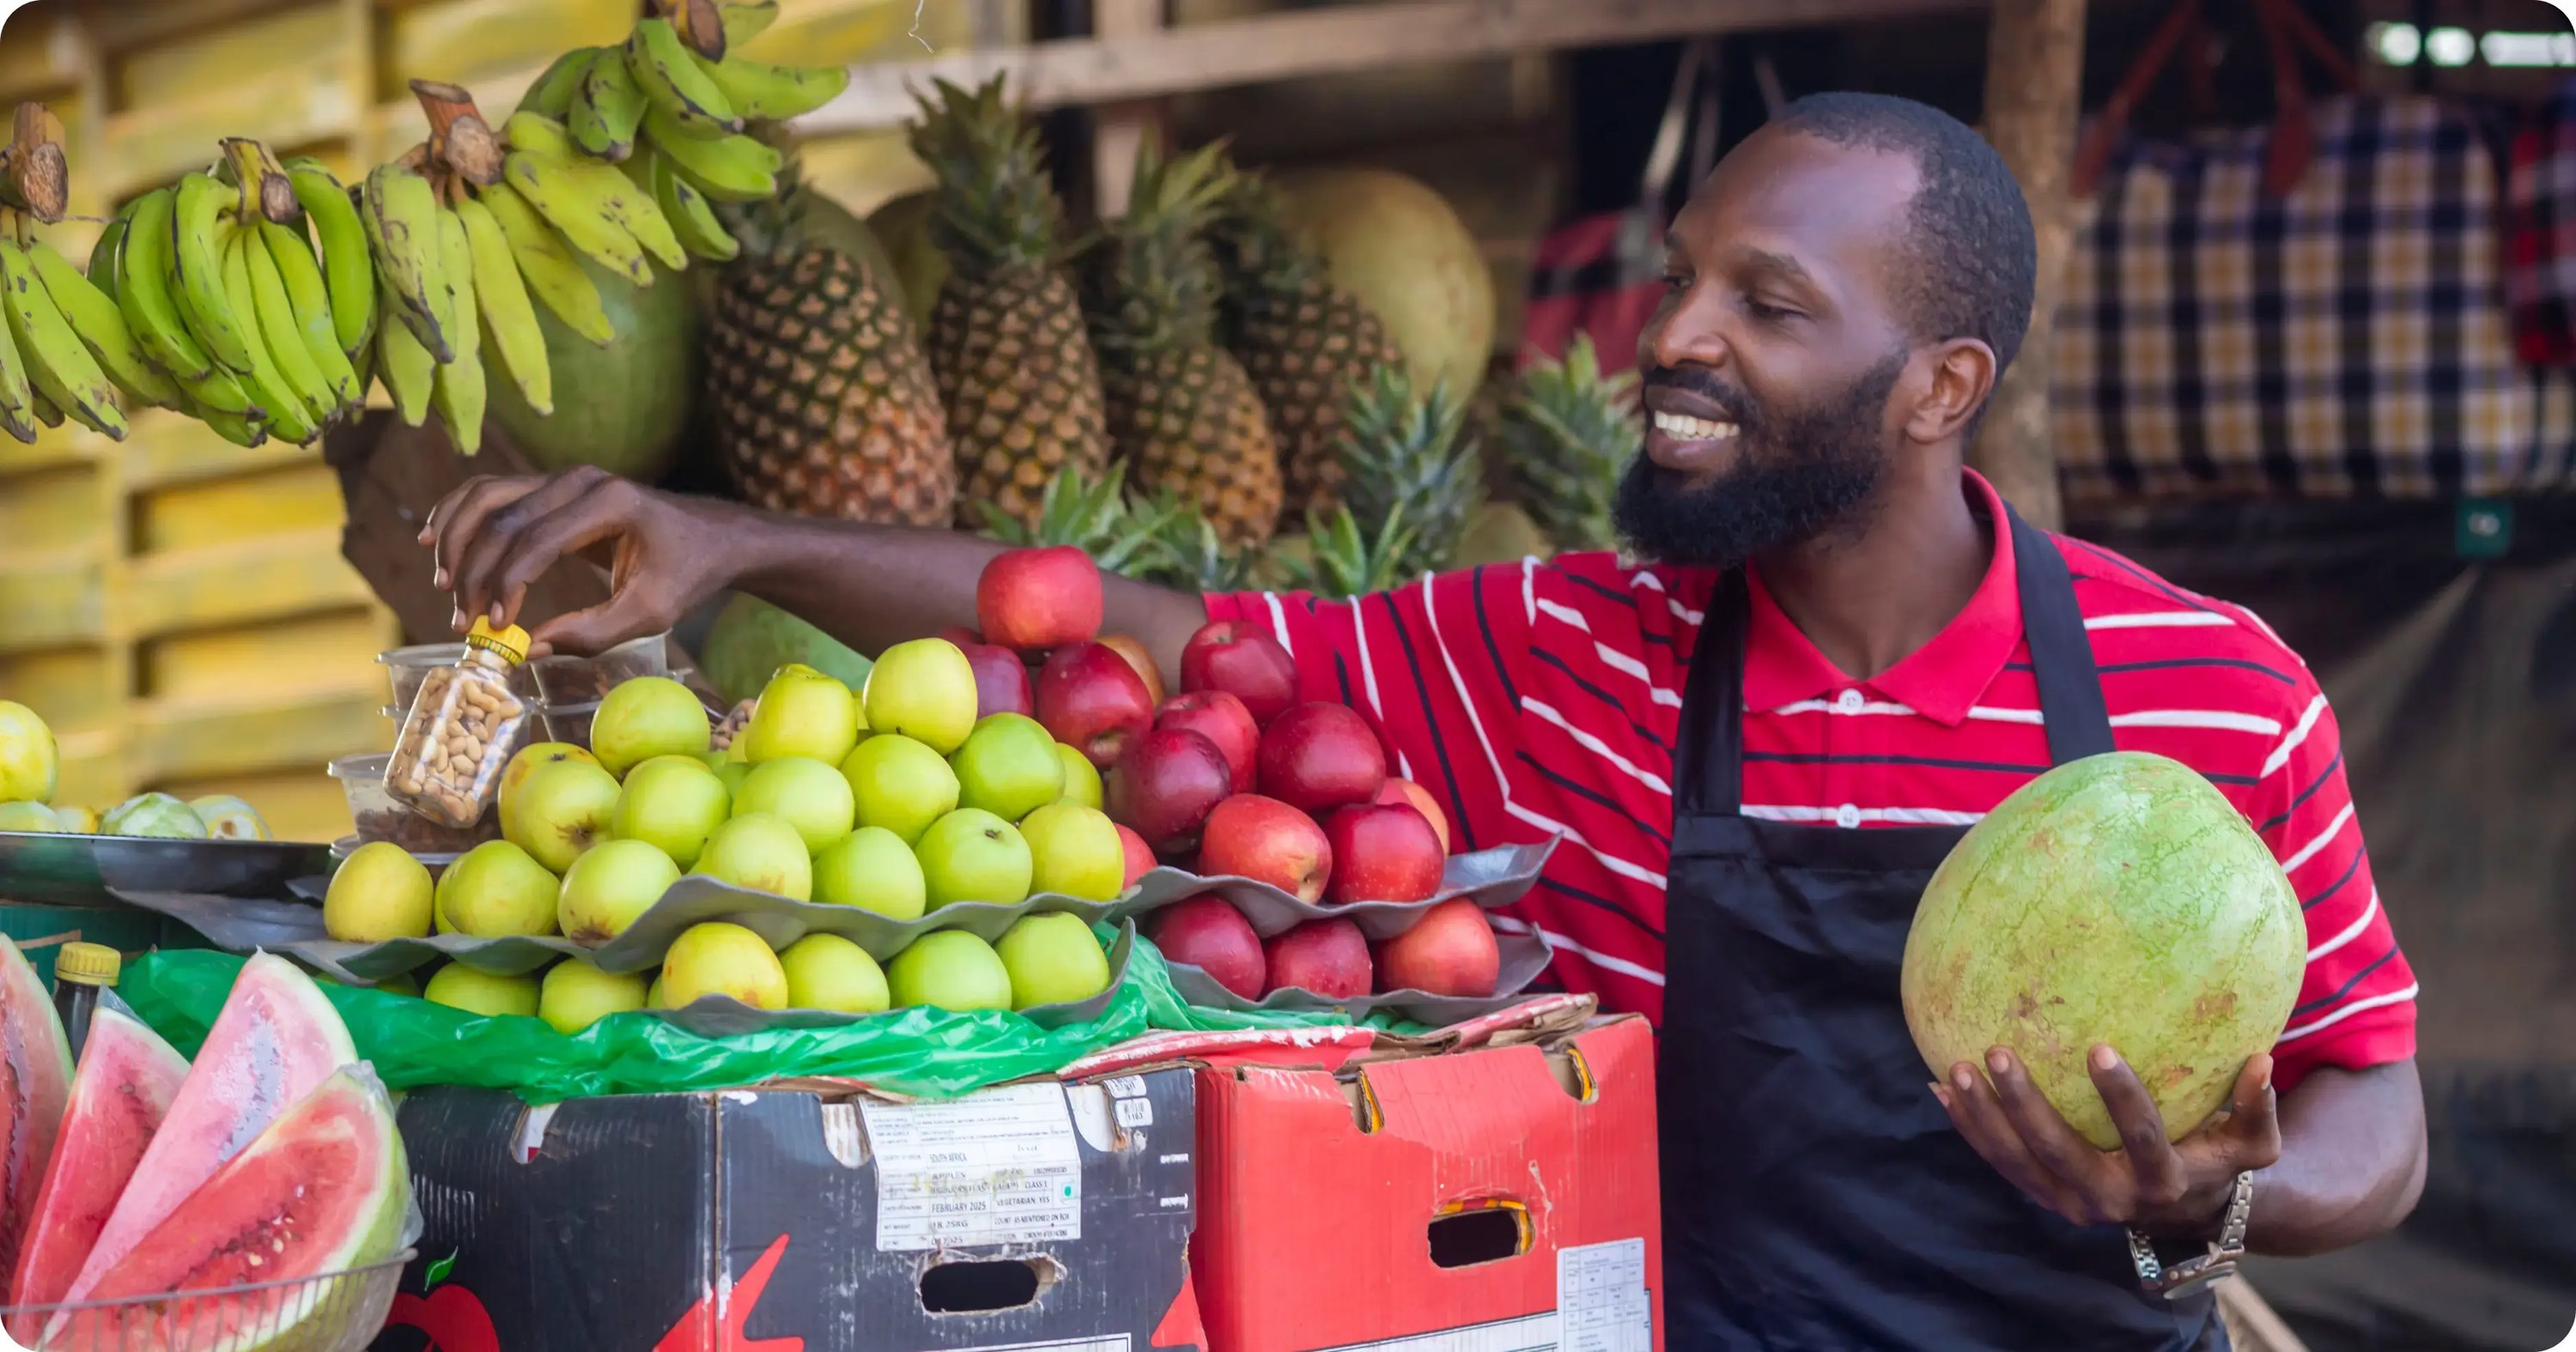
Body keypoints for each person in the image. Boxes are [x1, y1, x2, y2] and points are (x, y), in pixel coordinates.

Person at [422, 93, 2425, 1348]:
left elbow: (2379, 1114)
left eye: (1770, 302)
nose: (1678, 335)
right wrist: (719, 538)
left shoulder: (2204, 698)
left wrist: (2210, 1197)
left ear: (1939, 382)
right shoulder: (1572, 649)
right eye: (1685, 277)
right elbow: (1147, 626)